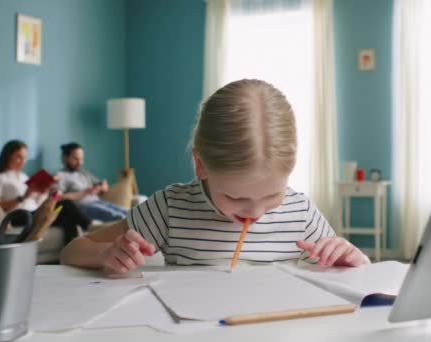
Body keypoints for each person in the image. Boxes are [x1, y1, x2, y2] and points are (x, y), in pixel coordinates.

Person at [60, 79, 369, 274]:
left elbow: (353, 273)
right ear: (200, 165)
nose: (255, 213)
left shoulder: (300, 212)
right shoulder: (171, 208)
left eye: (273, 196)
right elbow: (73, 250)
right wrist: (106, 254)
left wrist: (354, 260)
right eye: (235, 197)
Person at [0, 140, 92, 244]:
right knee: (66, 204)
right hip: (18, 216)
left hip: (35, 212)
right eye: (19, 157)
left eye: (24, 158)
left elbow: (37, 202)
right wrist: (23, 197)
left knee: (67, 218)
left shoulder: (24, 177)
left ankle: (70, 255)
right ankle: (91, 226)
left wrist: (48, 193)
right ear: (8, 156)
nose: (23, 161)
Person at [56, 142, 127, 222]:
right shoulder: (60, 176)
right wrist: (85, 192)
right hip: (83, 207)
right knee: (120, 218)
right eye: (76, 159)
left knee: (129, 213)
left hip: (98, 202)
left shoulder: (84, 173)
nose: (80, 163)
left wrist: (102, 186)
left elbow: (104, 186)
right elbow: (58, 198)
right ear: (66, 158)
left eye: (81, 159)